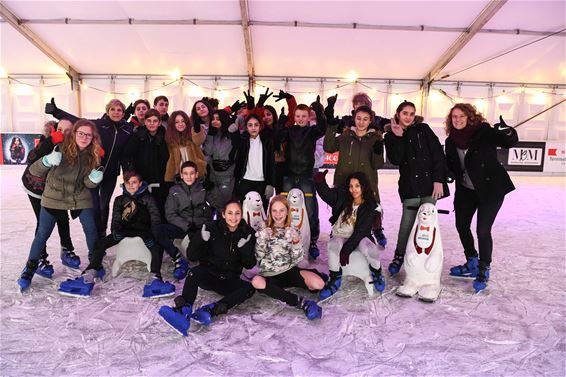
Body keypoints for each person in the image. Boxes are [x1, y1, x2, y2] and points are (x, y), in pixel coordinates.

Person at [57, 171, 175, 297]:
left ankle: (155, 278)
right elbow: (116, 219)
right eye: (128, 183)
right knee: (100, 243)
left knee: (157, 247)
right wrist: (116, 231)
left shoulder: (148, 199)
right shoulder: (120, 200)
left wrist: (151, 234)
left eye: (134, 182)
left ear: (140, 184)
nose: (131, 185)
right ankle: (88, 276)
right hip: (125, 231)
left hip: (144, 232)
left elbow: (155, 219)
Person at [17, 119, 103, 291]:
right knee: (43, 233)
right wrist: (47, 161)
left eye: (88, 135)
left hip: (79, 195)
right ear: (74, 133)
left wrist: (93, 180)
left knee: (91, 228)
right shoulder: (60, 148)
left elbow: (87, 183)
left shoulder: (93, 155)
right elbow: (34, 170)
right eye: (81, 133)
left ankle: (95, 263)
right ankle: (30, 268)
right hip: (54, 195)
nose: (84, 137)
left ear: (93, 138)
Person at [444, 104, 518, 292]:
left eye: (461, 116)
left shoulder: (483, 132)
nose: (457, 120)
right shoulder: (451, 141)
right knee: (461, 225)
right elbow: (452, 164)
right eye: (454, 117)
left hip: (490, 189)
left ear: (470, 117)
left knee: (482, 230)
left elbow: (509, 142)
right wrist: (449, 173)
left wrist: (507, 131)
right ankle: (472, 261)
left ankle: (484, 268)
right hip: (466, 190)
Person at [158, 200, 257, 336]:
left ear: (241, 215)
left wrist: (245, 249)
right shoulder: (212, 227)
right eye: (230, 213)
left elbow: (249, 265)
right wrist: (200, 239)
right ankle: (183, 310)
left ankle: (213, 309)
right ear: (223, 214)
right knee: (193, 273)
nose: (233, 217)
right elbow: (192, 256)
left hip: (229, 280)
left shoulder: (247, 233)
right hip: (210, 275)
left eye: (237, 213)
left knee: (249, 288)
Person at [45, 97, 133, 237]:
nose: (116, 112)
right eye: (113, 109)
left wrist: (128, 172)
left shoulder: (127, 129)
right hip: (93, 172)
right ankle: (96, 233)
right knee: (94, 206)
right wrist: (57, 112)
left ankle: (102, 231)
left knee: (104, 205)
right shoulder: (98, 124)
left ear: (123, 113)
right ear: (107, 111)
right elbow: (77, 120)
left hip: (110, 174)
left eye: (119, 110)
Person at [383, 101, 449, 276]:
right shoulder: (390, 135)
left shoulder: (423, 130)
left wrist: (438, 180)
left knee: (428, 224)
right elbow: (396, 159)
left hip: (430, 186)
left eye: (412, 114)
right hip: (409, 186)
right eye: (405, 113)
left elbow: (437, 154)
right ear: (398, 114)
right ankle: (399, 256)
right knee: (407, 223)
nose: (408, 117)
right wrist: (398, 137)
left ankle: (426, 255)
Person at [314, 171, 386, 300]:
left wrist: (346, 250)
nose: (353, 189)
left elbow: (360, 231)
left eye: (357, 186)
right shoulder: (343, 197)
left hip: (360, 235)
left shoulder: (369, 205)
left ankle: (376, 272)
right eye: (351, 186)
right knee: (333, 246)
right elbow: (328, 195)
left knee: (371, 249)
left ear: (363, 186)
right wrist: (320, 182)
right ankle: (335, 277)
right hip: (340, 233)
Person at [252, 195, 324, 320]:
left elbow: (297, 259)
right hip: (270, 275)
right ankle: (300, 302)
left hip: (289, 271)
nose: (278, 214)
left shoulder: (293, 228)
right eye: (274, 210)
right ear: (270, 212)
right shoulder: (263, 227)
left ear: (287, 212)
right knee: (256, 282)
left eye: (281, 210)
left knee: (319, 284)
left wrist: (296, 242)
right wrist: (262, 240)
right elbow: (259, 257)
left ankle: (312, 277)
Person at [21, 119, 76, 277]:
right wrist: (51, 141)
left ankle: (66, 250)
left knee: (63, 218)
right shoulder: (46, 141)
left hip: (55, 190)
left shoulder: (71, 145)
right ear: (54, 129)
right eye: (60, 129)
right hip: (35, 188)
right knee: (43, 222)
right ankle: (40, 258)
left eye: (67, 131)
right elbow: (31, 158)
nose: (63, 133)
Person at [276, 97, 327, 259]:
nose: (300, 119)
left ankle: (312, 239)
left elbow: (323, 128)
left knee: (311, 209)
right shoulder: (290, 130)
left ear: (308, 117)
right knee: (285, 208)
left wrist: (319, 111)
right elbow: (277, 138)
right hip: (289, 175)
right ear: (294, 117)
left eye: (303, 116)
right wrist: (281, 123)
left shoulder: (312, 131)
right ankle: (284, 235)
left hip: (306, 176)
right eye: (298, 116)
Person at [324, 104, 385, 237]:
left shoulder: (375, 139)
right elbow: (328, 147)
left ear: (370, 121)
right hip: (344, 184)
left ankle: (367, 236)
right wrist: (331, 127)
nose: (361, 122)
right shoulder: (345, 137)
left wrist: (378, 151)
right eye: (358, 118)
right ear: (354, 118)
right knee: (342, 213)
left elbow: (377, 165)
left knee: (363, 219)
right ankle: (338, 232)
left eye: (365, 119)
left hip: (364, 187)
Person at [153, 161, 212, 280]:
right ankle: (177, 257)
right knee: (157, 230)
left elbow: (215, 207)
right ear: (181, 175)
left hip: (199, 227)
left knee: (194, 255)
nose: (188, 176)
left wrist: (212, 190)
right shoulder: (174, 190)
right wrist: (187, 225)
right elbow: (170, 214)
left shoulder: (203, 189)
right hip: (182, 226)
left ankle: (205, 266)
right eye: (185, 173)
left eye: (191, 173)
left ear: (196, 174)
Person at [124, 109, 169, 218]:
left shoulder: (165, 136)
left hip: (160, 177)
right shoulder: (138, 135)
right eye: (149, 121)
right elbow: (128, 153)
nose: (152, 123)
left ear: (159, 122)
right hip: (141, 176)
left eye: (155, 121)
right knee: (141, 207)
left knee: (159, 206)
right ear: (145, 121)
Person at [234, 114, 275, 211]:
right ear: (246, 127)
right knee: (245, 212)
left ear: (260, 126)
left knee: (261, 212)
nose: (253, 128)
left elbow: (271, 164)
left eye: (256, 125)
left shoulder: (266, 141)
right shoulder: (243, 141)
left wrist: (270, 184)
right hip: (245, 181)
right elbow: (238, 161)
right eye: (250, 125)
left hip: (262, 183)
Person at [203, 109, 240, 211]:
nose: (215, 121)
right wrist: (210, 135)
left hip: (227, 174)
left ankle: (223, 223)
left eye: (218, 119)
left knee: (224, 202)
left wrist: (235, 131)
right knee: (212, 199)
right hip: (213, 173)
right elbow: (208, 151)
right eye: (213, 119)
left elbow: (238, 148)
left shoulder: (231, 134)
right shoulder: (212, 134)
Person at [163, 110, 207, 188]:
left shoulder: (192, 134)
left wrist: (197, 129)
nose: (180, 124)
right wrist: (169, 177)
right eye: (177, 122)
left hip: (196, 174)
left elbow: (199, 139)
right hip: (179, 176)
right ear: (173, 125)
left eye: (183, 121)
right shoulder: (170, 140)